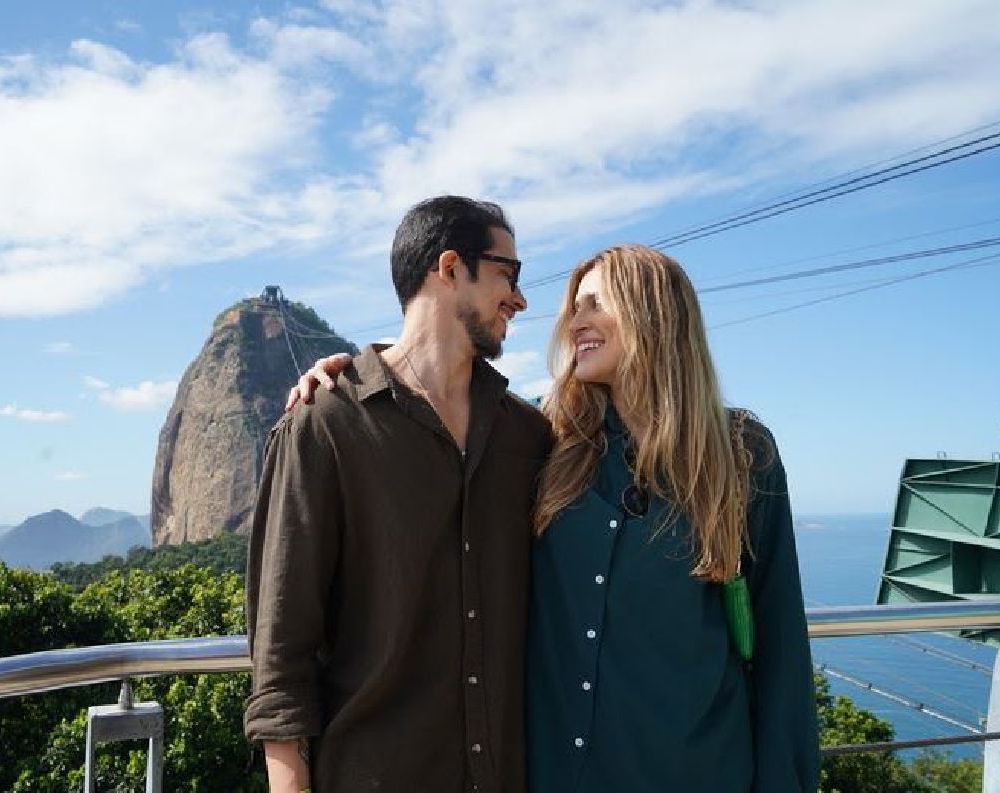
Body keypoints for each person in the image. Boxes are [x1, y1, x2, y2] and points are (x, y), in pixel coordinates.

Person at [289, 244, 820, 792]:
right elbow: (426, 410)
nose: (574, 323)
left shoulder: (740, 451)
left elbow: (781, 644)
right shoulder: (548, 436)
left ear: (654, 311)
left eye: (593, 305)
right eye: (573, 308)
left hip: (698, 771)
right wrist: (348, 382)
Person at [244, 195, 553, 793]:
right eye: (507, 274)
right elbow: (282, 649)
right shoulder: (326, 423)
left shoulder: (529, 435)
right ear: (448, 267)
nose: (519, 297)